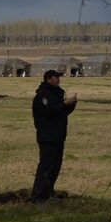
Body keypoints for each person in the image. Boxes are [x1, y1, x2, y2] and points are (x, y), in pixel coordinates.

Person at [31, 69, 77, 202]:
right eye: (56, 77)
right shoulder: (43, 96)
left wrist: (71, 105)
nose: (58, 79)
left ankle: (49, 194)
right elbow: (50, 111)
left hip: (58, 136)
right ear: (48, 79)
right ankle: (38, 197)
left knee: (55, 168)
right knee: (46, 167)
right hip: (47, 137)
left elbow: (61, 112)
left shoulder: (55, 94)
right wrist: (64, 103)